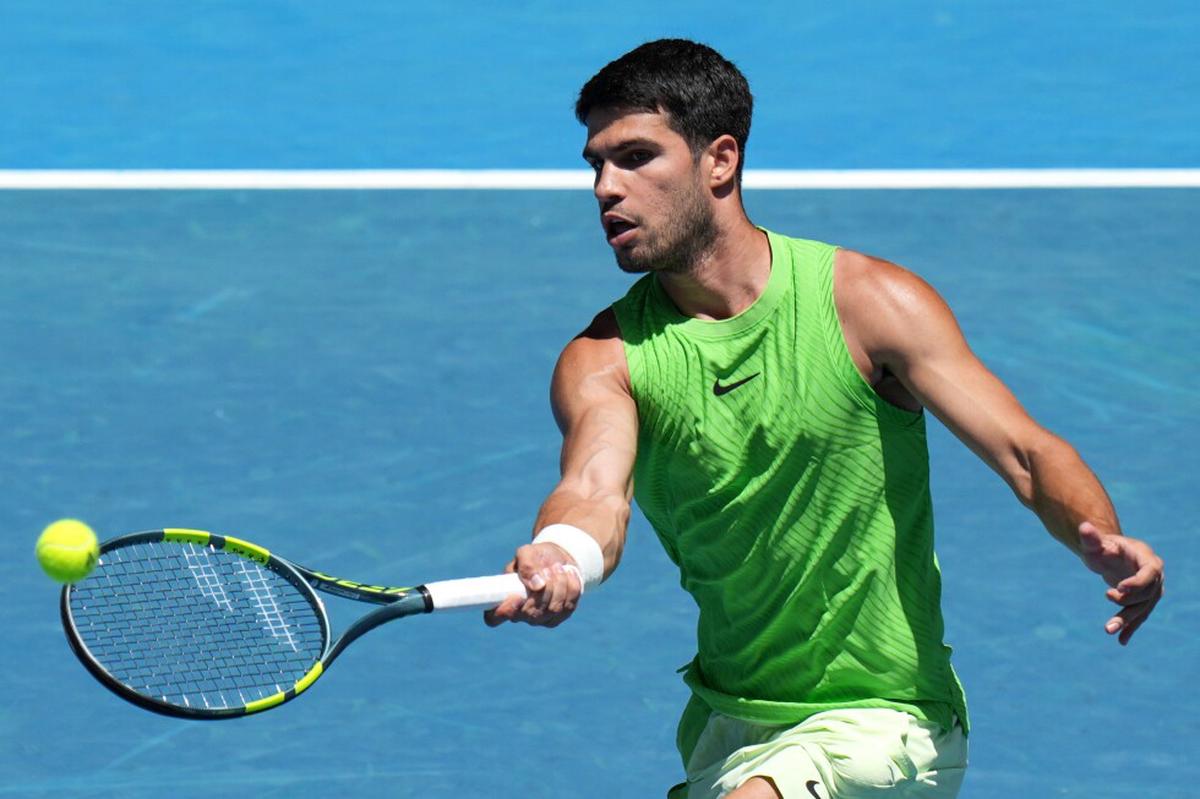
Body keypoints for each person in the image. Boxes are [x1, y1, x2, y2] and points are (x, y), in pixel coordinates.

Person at [484, 39, 1164, 799]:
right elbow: (592, 489)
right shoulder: (603, 358)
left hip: (885, 720)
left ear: (720, 160)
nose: (607, 187)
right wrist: (563, 551)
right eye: (596, 165)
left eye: (636, 157)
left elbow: (1026, 452)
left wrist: (1101, 537)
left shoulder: (867, 304)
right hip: (730, 722)